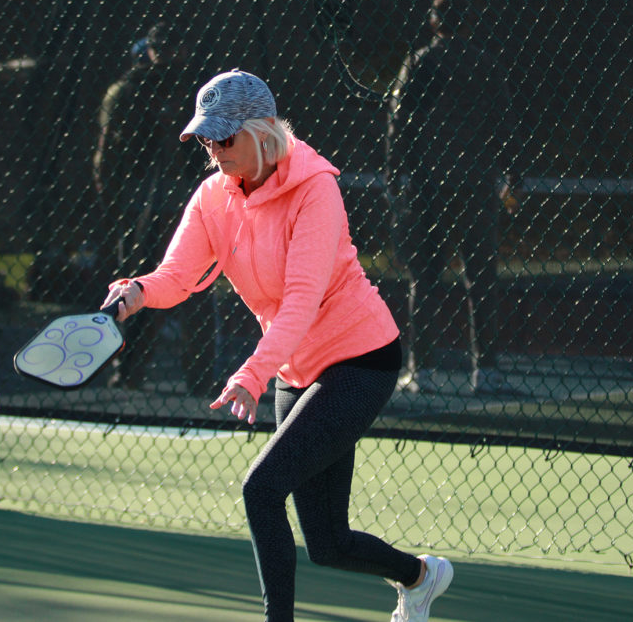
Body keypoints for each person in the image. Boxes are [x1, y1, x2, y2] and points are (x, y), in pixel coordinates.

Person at [101, 69, 454, 622]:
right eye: (206, 139)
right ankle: (422, 576)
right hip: (296, 366)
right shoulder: (213, 196)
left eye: (225, 137)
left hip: (360, 358)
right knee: (328, 543)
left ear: (263, 133)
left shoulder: (316, 190)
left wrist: (252, 373)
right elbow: (177, 274)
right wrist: (139, 291)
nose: (214, 150)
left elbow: (301, 300)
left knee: (260, 489)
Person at [386, 0, 515, 395]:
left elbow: (399, 121)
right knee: (481, 278)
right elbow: (504, 122)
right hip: (475, 182)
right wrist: (509, 172)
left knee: (424, 278)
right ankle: (486, 371)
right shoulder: (485, 64)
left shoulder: (422, 62)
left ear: (434, 21)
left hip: (430, 184)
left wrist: (396, 173)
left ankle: (421, 370)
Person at [92, 21, 212, 393]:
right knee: (146, 289)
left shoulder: (195, 90)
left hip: (179, 202)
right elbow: (110, 150)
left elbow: (107, 154)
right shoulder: (132, 91)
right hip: (146, 202)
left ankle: (194, 376)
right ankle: (133, 372)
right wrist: (115, 199)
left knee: (188, 290)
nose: (174, 58)